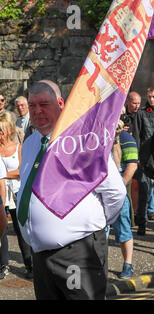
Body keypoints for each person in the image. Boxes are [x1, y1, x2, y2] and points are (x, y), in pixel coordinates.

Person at [17, 80, 126, 299]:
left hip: (78, 253)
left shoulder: (84, 140)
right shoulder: (30, 144)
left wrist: (91, 225)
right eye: (32, 105)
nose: (37, 111)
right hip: (40, 256)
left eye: (44, 104)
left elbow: (115, 193)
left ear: (60, 103)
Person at [0, 112, 33, 279]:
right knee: (2, 229)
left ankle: (30, 264)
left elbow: (22, 170)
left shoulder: (18, 147)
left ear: (8, 131)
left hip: (17, 193)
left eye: (1, 130)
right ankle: (3, 265)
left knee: (21, 229)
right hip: (1, 193)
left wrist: (3, 174)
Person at [110, 120, 138, 279]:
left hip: (117, 191)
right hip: (99, 191)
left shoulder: (127, 138)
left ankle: (128, 264)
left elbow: (130, 165)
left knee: (123, 228)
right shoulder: (98, 134)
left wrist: (116, 139)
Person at [133, 88, 154, 236]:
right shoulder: (141, 113)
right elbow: (137, 135)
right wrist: (136, 156)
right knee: (144, 192)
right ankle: (142, 223)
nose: (151, 99)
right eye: (149, 96)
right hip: (145, 157)